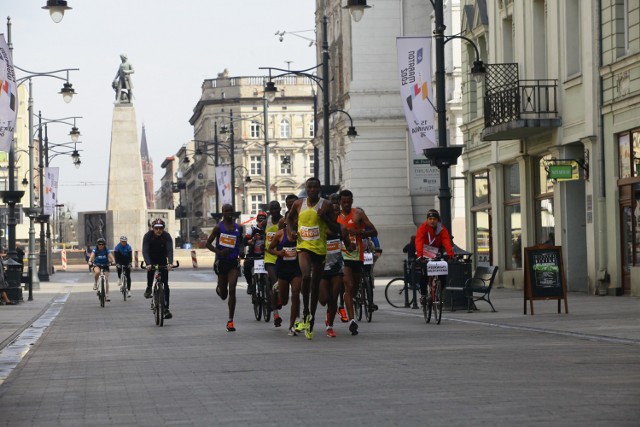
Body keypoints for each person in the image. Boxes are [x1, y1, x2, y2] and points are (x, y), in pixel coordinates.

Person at [286, 177, 339, 340]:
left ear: (319, 189)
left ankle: (312, 317)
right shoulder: (298, 204)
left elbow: (336, 229)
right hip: (303, 247)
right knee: (306, 276)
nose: (312, 190)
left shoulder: (326, 205)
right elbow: (288, 218)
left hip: (320, 249)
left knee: (315, 285)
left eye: (315, 187)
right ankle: (305, 311)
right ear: (306, 189)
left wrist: (325, 218)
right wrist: (291, 232)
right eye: (309, 187)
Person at [337, 189, 378, 336]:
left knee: (354, 288)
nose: (346, 204)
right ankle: (352, 321)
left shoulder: (358, 214)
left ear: (352, 201)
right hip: (342, 256)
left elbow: (374, 231)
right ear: (340, 202)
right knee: (349, 286)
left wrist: (360, 233)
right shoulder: (335, 216)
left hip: (357, 256)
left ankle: (349, 300)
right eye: (344, 202)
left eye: (348, 202)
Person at [206, 204, 243, 332]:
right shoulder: (218, 227)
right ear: (222, 213)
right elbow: (207, 243)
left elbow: (242, 242)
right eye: (226, 211)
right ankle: (219, 287)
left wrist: (242, 251)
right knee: (223, 294)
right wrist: (219, 252)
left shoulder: (238, 227)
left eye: (231, 211)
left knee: (232, 289)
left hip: (233, 263)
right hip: (222, 262)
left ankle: (230, 321)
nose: (229, 213)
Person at [318, 194, 347, 338]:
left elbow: (348, 243)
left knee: (333, 298)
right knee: (323, 300)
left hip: (336, 267)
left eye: (338, 211)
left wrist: (351, 245)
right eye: (333, 211)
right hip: (322, 268)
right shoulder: (321, 227)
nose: (336, 213)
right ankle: (328, 313)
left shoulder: (341, 228)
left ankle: (330, 326)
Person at [268, 218, 302, 336]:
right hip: (283, 269)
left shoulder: (300, 234)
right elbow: (270, 249)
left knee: (296, 294)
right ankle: (277, 288)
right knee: (284, 301)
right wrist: (279, 253)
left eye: (296, 221)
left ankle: (292, 325)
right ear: (286, 222)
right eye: (292, 221)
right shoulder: (280, 234)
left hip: (296, 269)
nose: (294, 223)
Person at [415, 209, 455, 304]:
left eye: (434, 219)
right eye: (430, 219)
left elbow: (446, 241)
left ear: (438, 220)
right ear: (427, 220)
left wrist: (450, 254)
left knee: (442, 272)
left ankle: (438, 291)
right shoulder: (423, 228)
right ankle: (424, 295)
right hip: (424, 253)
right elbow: (419, 241)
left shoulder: (442, 229)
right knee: (424, 274)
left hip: (437, 252)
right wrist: (420, 255)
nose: (432, 221)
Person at [142, 218, 174, 319]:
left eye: (161, 228)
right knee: (150, 271)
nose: (158, 230)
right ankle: (148, 288)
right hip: (151, 260)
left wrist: (170, 263)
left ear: (163, 228)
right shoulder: (148, 236)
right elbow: (145, 250)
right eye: (156, 228)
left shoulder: (166, 236)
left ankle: (165, 308)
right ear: (153, 228)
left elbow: (169, 250)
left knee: (165, 285)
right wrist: (147, 263)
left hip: (162, 260)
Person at [264, 201, 284, 327]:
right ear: (269, 210)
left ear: (280, 208)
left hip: (281, 256)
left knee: (280, 285)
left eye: (277, 208)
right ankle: (276, 315)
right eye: (272, 209)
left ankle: (278, 299)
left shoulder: (284, 221)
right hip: (270, 257)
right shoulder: (267, 222)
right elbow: (261, 234)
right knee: (275, 282)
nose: (275, 211)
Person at [243, 211, 268, 296]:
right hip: (253, 255)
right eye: (259, 221)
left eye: (263, 221)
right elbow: (244, 241)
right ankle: (250, 284)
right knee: (246, 267)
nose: (261, 223)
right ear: (257, 221)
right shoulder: (252, 229)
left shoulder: (268, 229)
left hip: (266, 255)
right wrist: (251, 240)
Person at [88, 238, 116, 302]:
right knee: (97, 272)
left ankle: (107, 295)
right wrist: (90, 261)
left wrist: (113, 261)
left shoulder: (106, 250)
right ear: (97, 245)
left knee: (106, 279)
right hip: (97, 264)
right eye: (99, 244)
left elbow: (111, 256)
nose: (101, 245)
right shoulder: (95, 250)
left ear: (104, 245)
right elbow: (91, 256)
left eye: (102, 244)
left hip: (105, 265)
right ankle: (95, 283)